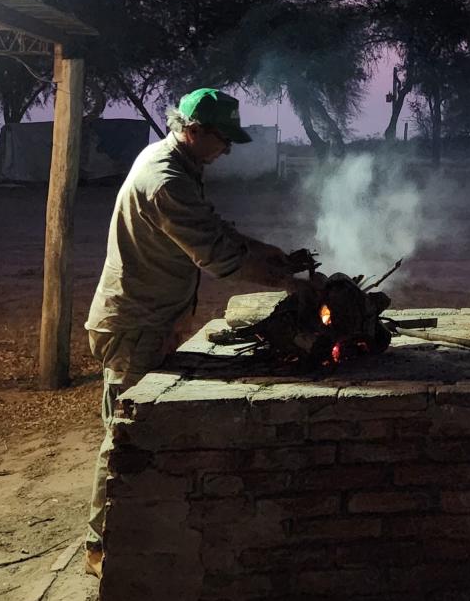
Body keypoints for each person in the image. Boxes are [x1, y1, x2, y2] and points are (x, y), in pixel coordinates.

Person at [82, 88, 302, 577]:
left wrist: (266, 250)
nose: (227, 149)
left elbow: (215, 229)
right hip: (135, 323)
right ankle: (101, 548)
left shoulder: (177, 164)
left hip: (154, 319)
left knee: (137, 429)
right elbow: (216, 257)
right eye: (223, 139)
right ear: (195, 130)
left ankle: (133, 525)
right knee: (124, 434)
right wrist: (290, 284)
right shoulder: (166, 181)